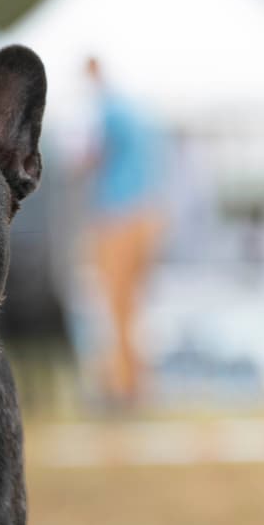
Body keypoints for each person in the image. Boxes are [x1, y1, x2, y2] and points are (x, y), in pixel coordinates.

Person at [82, 57, 165, 406]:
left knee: (114, 306)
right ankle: (138, 383)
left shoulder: (109, 112)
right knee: (131, 306)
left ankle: (123, 386)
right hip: (148, 212)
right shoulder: (140, 112)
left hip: (119, 215)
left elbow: (90, 158)